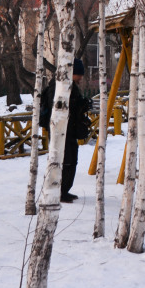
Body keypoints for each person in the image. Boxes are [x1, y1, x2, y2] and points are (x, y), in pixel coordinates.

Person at [39, 58, 91, 203]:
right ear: (71, 73)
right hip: (61, 131)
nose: (81, 78)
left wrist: (82, 105)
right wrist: (78, 106)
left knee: (71, 160)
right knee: (65, 161)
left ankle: (64, 190)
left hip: (69, 130)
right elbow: (59, 110)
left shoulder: (69, 87)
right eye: (79, 74)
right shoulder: (58, 87)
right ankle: (60, 191)